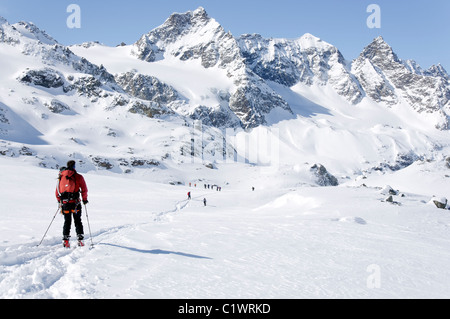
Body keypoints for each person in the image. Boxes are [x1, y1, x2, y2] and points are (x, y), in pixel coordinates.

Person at [56, 160, 89, 248]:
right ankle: (80, 240)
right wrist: (85, 199)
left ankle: (66, 241)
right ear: (74, 167)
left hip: (65, 204)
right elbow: (84, 189)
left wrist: (60, 201)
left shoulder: (61, 176)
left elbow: (57, 192)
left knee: (67, 221)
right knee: (78, 221)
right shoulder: (78, 177)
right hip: (75, 203)